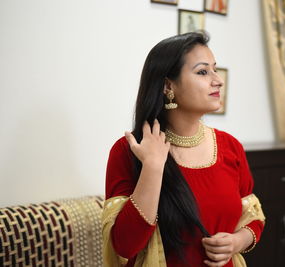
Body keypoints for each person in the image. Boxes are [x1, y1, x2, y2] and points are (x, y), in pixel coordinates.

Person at [102, 32, 265, 267]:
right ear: (168, 85)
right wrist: (152, 167)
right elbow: (124, 246)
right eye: (202, 72)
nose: (217, 80)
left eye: (215, 69)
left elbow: (253, 217)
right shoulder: (129, 151)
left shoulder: (230, 147)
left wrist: (237, 241)